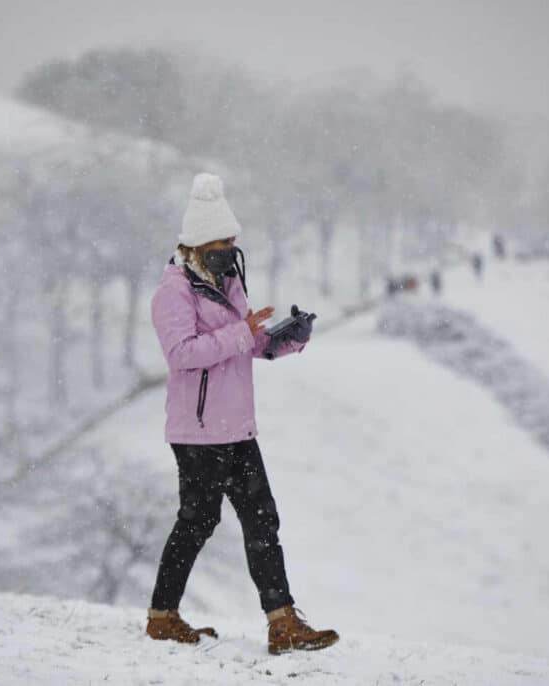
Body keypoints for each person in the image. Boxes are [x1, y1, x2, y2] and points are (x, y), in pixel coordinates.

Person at [146, 173, 339, 655]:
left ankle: (282, 623)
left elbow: (246, 343)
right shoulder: (173, 291)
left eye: (233, 240)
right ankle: (162, 616)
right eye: (222, 241)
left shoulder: (228, 282)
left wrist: (286, 338)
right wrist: (240, 334)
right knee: (197, 520)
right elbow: (182, 353)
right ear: (197, 243)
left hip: (238, 427)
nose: (231, 248)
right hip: (198, 432)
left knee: (261, 520)